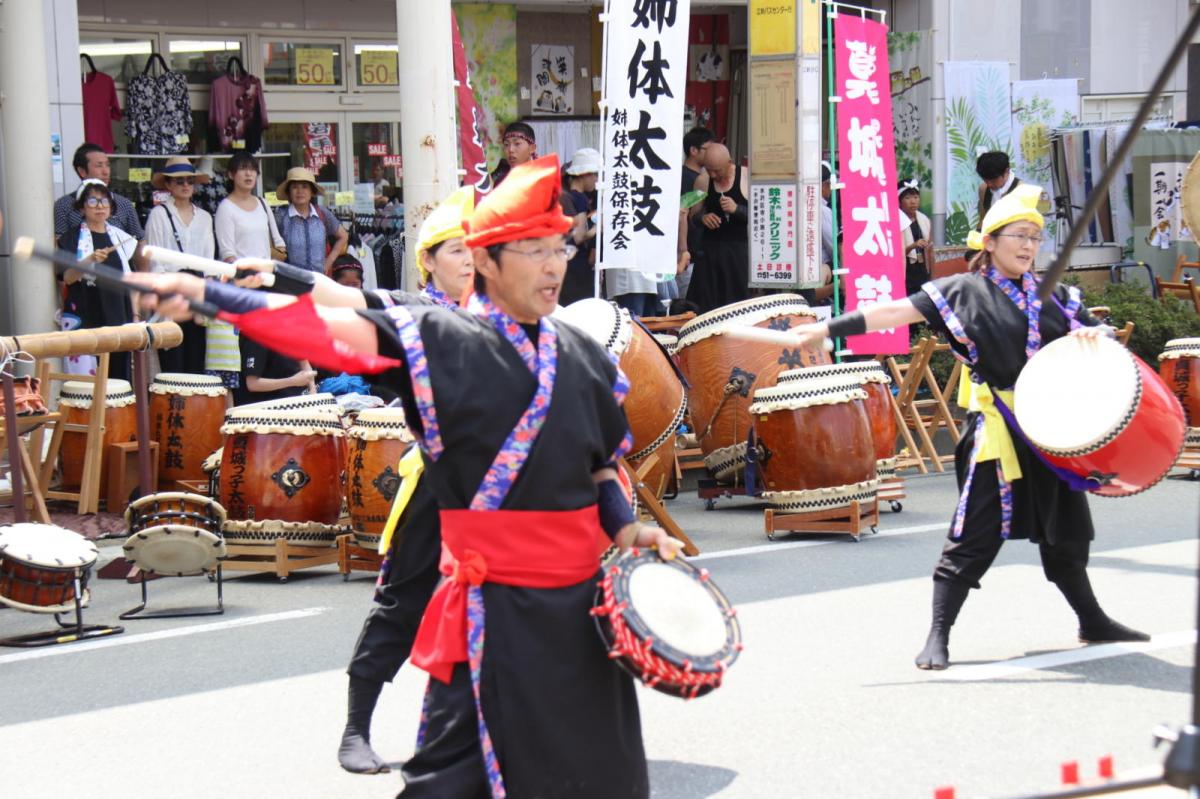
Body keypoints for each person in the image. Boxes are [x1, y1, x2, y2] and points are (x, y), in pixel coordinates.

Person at [129, 155, 680, 797]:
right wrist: (211, 296)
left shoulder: (583, 356)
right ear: (487, 261)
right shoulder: (440, 337)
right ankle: (358, 721)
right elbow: (329, 327)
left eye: (556, 247)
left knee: (603, 778)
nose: (552, 264)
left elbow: (601, 467)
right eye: (530, 250)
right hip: (493, 614)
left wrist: (628, 530)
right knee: (452, 780)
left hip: (580, 616)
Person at [786, 184, 1149, 671]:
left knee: (1068, 533)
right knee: (975, 534)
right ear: (990, 242)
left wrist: (1092, 332)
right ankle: (939, 634)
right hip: (999, 430)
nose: (1027, 246)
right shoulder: (961, 292)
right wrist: (827, 328)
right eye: (1018, 235)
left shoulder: (1056, 295)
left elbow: (1099, 331)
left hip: (1054, 432)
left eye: (1035, 238)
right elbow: (894, 310)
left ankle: (1092, 620)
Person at [210, 151, 285, 392]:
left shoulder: (263, 203)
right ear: (231, 175)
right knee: (248, 343)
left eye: (252, 169)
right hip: (243, 285)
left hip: (268, 281)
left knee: (270, 340)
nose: (249, 173)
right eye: (242, 169)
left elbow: (278, 242)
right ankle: (247, 394)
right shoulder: (226, 208)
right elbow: (227, 253)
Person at [57, 179, 139, 381]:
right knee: (88, 380)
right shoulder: (71, 238)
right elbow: (67, 277)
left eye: (104, 201)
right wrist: (90, 259)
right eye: (92, 201)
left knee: (119, 378)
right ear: (82, 207)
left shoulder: (121, 238)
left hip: (119, 314)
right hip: (86, 313)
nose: (100, 206)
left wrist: (135, 315)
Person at [145, 157, 214, 373]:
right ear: (168, 185)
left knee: (197, 361)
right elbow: (155, 260)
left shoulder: (204, 217)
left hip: (196, 291)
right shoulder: (159, 214)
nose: (185, 186)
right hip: (171, 290)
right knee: (172, 360)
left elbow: (209, 260)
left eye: (189, 181)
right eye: (179, 181)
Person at [687, 142, 750, 313]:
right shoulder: (702, 181)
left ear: (729, 163)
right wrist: (703, 218)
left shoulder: (746, 177)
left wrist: (737, 209)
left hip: (739, 254)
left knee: (738, 306)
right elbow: (692, 216)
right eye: (709, 170)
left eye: (717, 170)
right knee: (706, 307)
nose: (713, 175)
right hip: (710, 254)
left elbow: (762, 217)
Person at [53, 143, 144, 249]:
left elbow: (140, 241)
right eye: (99, 166)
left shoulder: (124, 204)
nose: (106, 172)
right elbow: (59, 246)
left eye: (107, 165)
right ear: (82, 171)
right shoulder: (64, 205)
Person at [275, 166, 348, 275]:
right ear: (289, 192)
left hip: (319, 281)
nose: (300, 191)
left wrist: (329, 261)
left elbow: (343, 236)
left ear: (312, 192)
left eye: (304, 187)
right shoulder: (281, 216)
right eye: (295, 187)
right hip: (290, 281)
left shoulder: (322, 213)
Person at [560, 147, 600, 305]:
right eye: (595, 175)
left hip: (565, 263)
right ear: (585, 174)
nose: (597, 180)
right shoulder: (579, 199)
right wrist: (600, 227)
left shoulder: (566, 196)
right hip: (577, 267)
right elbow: (579, 236)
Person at [677, 127, 714, 299]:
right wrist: (683, 250)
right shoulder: (686, 178)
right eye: (708, 149)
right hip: (689, 255)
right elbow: (683, 213)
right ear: (693, 150)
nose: (712, 153)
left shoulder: (701, 177)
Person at [898, 178, 932, 297]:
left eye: (916, 197)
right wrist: (913, 246)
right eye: (908, 198)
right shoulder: (897, 220)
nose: (913, 201)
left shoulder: (923, 219)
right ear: (900, 201)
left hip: (921, 267)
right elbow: (896, 253)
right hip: (906, 270)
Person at [975, 150, 1021, 230]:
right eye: (985, 180)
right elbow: (983, 218)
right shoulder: (983, 189)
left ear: (1006, 171)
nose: (989, 184)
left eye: (993, 180)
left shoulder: (1021, 190)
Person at [488, 121, 537, 188]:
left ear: (532, 148)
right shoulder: (500, 182)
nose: (510, 149)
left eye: (517, 144)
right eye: (506, 145)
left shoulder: (543, 176)